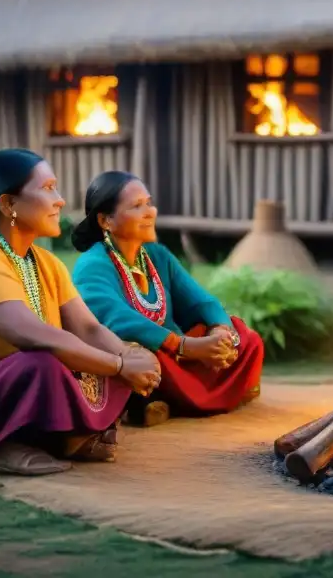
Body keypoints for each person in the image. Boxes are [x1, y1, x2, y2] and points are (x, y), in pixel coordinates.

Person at [0, 149, 162, 476]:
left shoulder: (46, 263)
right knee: (42, 362)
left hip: (17, 386)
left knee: (113, 354)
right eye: (48, 188)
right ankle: (5, 445)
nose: (60, 200)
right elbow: (31, 335)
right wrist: (119, 365)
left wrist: (129, 356)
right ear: (9, 205)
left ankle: (63, 437)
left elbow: (88, 328)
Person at [71, 171, 264, 426]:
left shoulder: (157, 255)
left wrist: (219, 332)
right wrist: (187, 347)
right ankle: (147, 399)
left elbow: (201, 301)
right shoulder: (92, 264)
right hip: (152, 351)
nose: (150, 212)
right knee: (143, 359)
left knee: (244, 336)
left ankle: (162, 400)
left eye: (149, 203)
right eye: (137, 206)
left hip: (182, 353)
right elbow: (117, 320)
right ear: (106, 220)